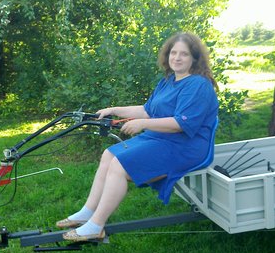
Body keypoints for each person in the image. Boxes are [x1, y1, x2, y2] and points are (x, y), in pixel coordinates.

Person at [58, 32, 219, 241]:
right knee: (108, 155)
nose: (177, 58)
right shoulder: (168, 81)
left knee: (119, 165)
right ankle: (87, 212)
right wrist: (113, 110)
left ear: (195, 58)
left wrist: (142, 124)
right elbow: (146, 110)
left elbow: (181, 124)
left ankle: (96, 226)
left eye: (184, 54)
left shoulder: (198, 85)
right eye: (173, 52)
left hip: (184, 146)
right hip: (160, 138)